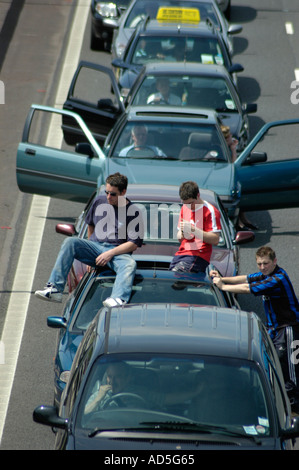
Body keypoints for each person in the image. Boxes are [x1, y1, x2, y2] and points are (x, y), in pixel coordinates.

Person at [210, 245, 299, 413]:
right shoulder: (267, 274)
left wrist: (222, 286)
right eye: (259, 264)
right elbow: (246, 279)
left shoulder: (277, 279)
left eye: (265, 263)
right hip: (275, 329)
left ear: (275, 261)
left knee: (289, 370)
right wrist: (224, 278)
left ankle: (294, 408)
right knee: (275, 365)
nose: (262, 267)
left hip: (288, 329)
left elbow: (247, 288)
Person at [35, 173, 144, 307]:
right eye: (107, 192)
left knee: (129, 264)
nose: (108, 197)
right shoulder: (99, 201)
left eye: (113, 194)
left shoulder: (133, 212)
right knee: (70, 242)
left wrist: (109, 253)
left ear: (123, 192)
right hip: (95, 247)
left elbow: (133, 244)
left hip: (116, 253)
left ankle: (118, 298)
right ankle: (54, 289)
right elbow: (90, 225)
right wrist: (91, 251)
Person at [84, 362, 203, 414]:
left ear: (128, 378)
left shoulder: (139, 393)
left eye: (118, 377)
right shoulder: (100, 394)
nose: (113, 381)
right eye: (110, 376)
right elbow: (85, 415)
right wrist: (98, 399)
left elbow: (166, 399)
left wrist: (196, 393)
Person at [169, 181, 221, 273]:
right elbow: (179, 238)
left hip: (199, 255)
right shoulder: (184, 208)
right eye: (185, 203)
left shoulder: (210, 211)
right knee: (171, 279)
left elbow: (215, 239)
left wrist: (193, 229)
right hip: (182, 253)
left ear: (198, 195)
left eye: (191, 203)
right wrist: (182, 233)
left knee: (177, 273)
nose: (188, 206)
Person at [221, 124, 258, 231]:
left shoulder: (227, 147)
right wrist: (233, 149)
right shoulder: (222, 150)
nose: (231, 138)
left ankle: (243, 219)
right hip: (224, 180)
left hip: (230, 178)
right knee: (236, 194)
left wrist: (232, 148)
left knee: (242, 192)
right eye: (228, 137)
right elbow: (233, 164)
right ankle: (240, 222)